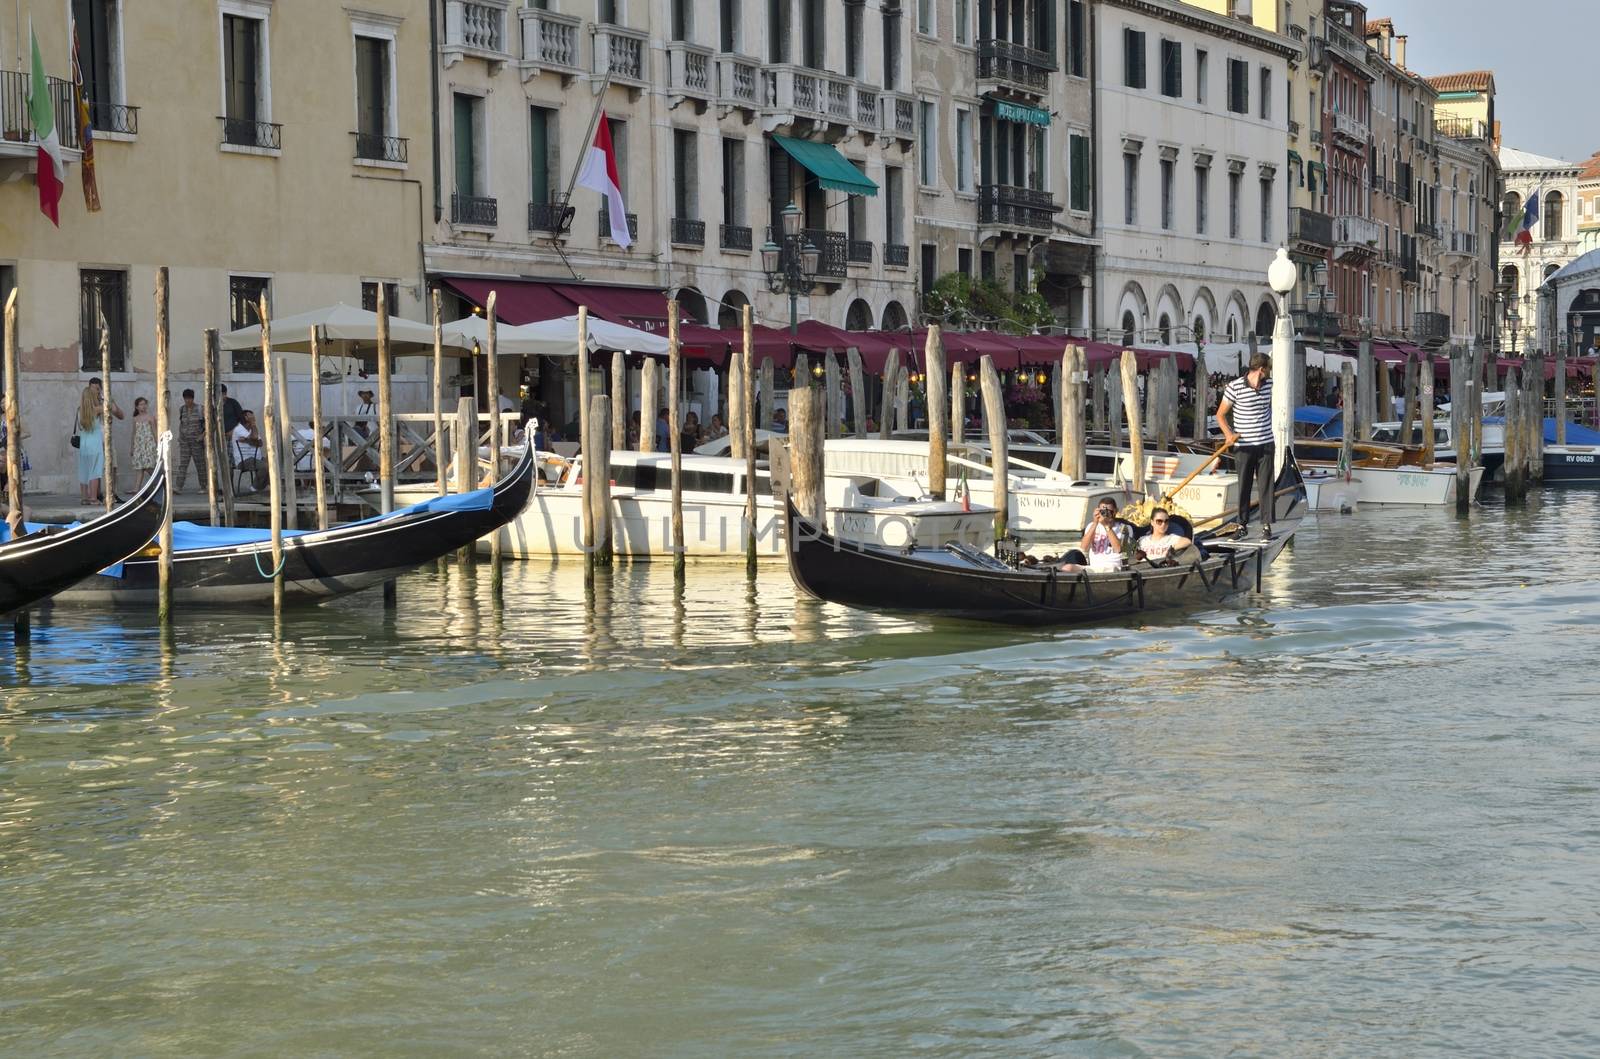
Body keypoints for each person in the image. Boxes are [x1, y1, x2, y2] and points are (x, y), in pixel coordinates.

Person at [1216, 352, 1275, 538]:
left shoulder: (1270, 386)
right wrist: (1228, 435)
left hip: (1266, 443)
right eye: (1268, 369)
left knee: (1266, 485)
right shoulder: (1234, 387)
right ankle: (1242, 525)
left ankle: (1266, 525)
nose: (1270, 372)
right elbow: (1220, 415)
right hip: (1243, 446)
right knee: (1244, 486)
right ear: (1261, 369)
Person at [76, 377, 124, 504]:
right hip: (95, 444)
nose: (96, 392)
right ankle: (93, 498)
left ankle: (84, 498)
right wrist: (105, 396)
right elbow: (110, 407)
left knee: (84, 471)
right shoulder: (97, 409)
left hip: (84, 444)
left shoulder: (80, 410)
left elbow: (120, 415)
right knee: (95, 472)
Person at [1059, 497, 1131, 572]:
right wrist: (1095, 523)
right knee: (1067, 568)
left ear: (1116, 511)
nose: (1106, 514)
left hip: (1113, 567)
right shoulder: (1092, 526)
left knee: (1110, 569)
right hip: (1094, 568)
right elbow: (1084, 547)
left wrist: (1106, 526)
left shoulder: (1124, 528)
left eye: (1109, 511)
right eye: (1103, 511)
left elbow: (1118, 549)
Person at [174, 388, 207, 492]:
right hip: (185, 442)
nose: (188, 401)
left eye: (190, 398)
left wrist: (203, 435)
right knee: (183, 464)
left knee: (200, 465)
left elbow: (209, 424)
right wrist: (180, 437)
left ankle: (204, 486)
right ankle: (178, 487)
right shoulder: (182, 409)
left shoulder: (200, 409)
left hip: (197, 442)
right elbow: (181, 423)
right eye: (186, 398)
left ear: (193, 398)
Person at [232, 409, 267, 492]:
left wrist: (247, 440)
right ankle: (255, 487)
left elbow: (260, 443)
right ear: (245, 418)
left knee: (273, 464)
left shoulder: (252, 429)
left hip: (256, 458)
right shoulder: (239, 429)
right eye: (250, 415)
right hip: (244, 460)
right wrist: (253, 424)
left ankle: (264, 486)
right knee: (266, 467)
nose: (253, 417)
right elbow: (255, 437)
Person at [130, 397, 157, 485]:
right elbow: (134, 433)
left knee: (148, 466)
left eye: (145, 404)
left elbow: (154, 431)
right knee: (139, 467)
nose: (143, 406)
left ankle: (159, 480)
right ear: (137, 407)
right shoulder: (135, 419)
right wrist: (132, 447)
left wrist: (158, 445)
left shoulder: (150, 417)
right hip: (139, 446)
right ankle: (136, 488)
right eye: (141, 404)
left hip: (149, 445)